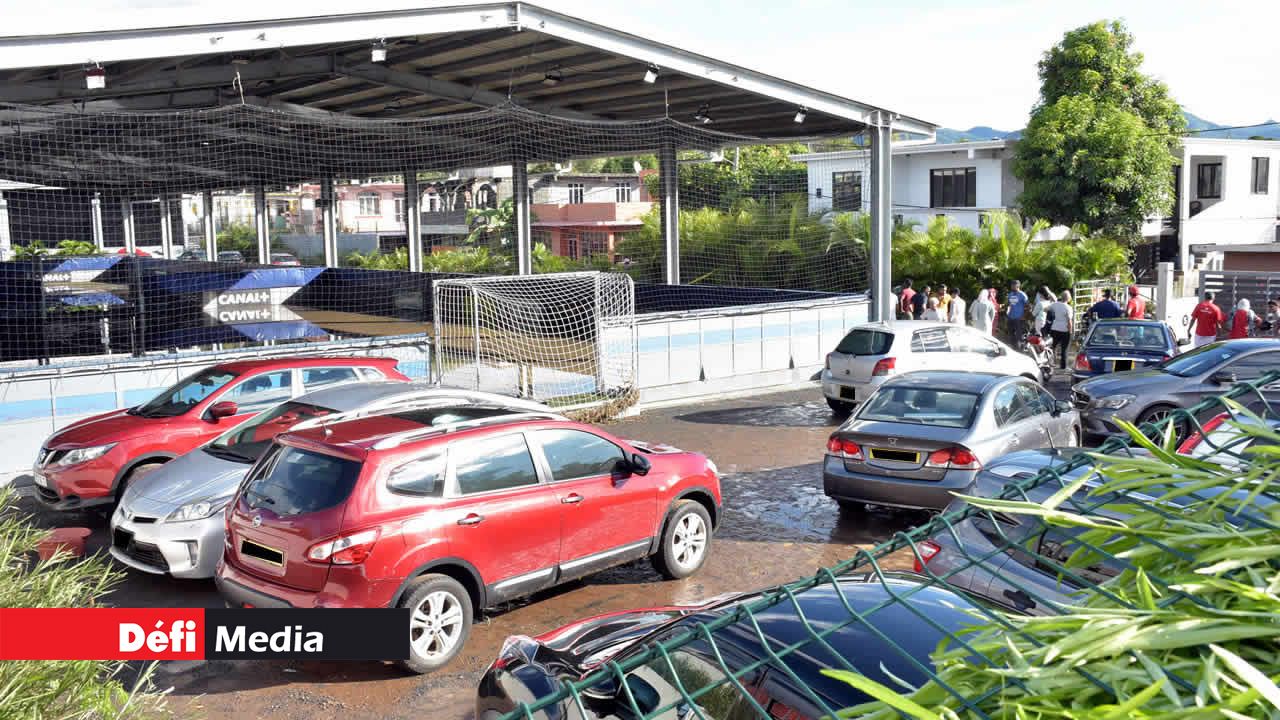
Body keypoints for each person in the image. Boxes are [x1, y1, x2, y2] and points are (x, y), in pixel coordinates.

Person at [1047, 291, 1074, 370]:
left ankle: (1051, 363)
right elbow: (1069, 321)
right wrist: (1071, 331)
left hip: (1054, 327)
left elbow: (1046, 309)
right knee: (1064, 349)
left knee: (1053, 347)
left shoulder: (1055, 304)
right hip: (1064, 329)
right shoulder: (1068, 307)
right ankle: (1063, 366)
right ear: (1068, 298)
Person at [1006, 280, 1028, 346]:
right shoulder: (1010, 294)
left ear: (1018, 286)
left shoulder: (1022, 295)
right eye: (1011, 285)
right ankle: (1012, 346)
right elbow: (1009, 304)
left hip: (1019, 318)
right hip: (1010, 317)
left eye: (1013, 285)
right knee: (1010, 333)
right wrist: (1007, 311)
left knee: (1019, 334)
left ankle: (1019, 348)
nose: (1012, 287)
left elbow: (1028, 306)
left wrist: (1024, 316)